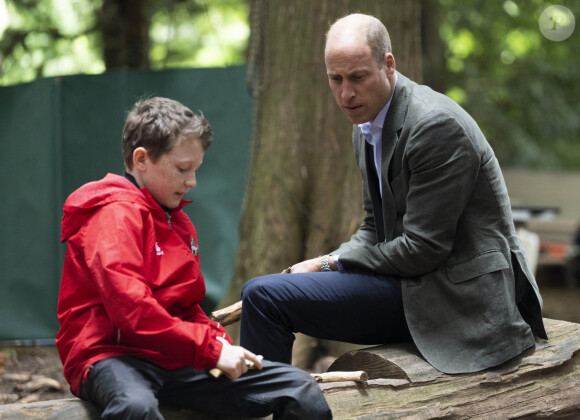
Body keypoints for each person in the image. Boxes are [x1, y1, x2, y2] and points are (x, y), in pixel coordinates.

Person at [240, 13, 548, 375]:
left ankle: (268, 403)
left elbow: (422, 249)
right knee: (266, 292)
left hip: (459, 299)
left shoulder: (435, 126)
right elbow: (374, 226)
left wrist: (330, 264)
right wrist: (326, 261)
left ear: (388, 64)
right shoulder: (367, 122)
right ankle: (272, 402)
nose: (345, 93)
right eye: (335, 79)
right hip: (412, 282)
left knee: (263, 297)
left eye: (357, 78)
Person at [56, 97, 331, 419]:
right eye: (182, 169)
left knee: (298, 386)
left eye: (196, 170)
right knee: (136, 407)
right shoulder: (113, 216)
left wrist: (220, 344)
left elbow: (187, 308)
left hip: (174, 356)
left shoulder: (177, 221)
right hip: (110, 356)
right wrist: (211, 351)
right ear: (141, 159)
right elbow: (133, 311)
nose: (192, 182)